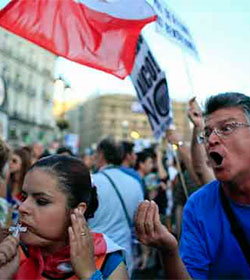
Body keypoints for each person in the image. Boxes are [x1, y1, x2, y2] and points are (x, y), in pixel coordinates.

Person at [135, 92, 250, 279]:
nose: (212, 139)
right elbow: (198, 167)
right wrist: (169, 251)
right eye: (207, 133)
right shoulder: (199, 206)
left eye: (227, 128)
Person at [10, 155, 128, 279]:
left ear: (77, 210)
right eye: (24, 197)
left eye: (41, 201)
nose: (22, 207)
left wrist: (89, 274)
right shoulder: (11, 253)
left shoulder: (106, 261)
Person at [88, 138, 144, 276]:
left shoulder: (91, 182)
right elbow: (140, 224)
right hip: (123, 258)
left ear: (101, 154)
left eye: (95, 154)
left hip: (93, 256)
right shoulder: (135, 183)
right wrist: (144, 252)